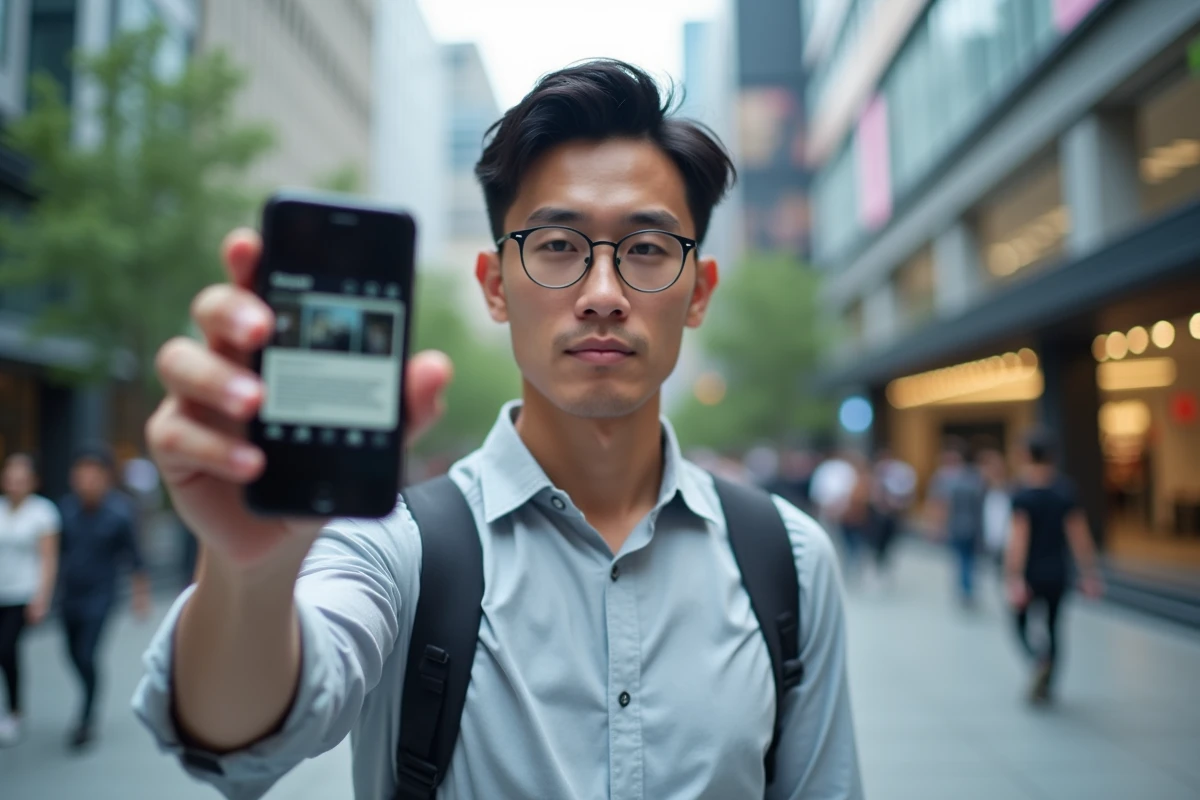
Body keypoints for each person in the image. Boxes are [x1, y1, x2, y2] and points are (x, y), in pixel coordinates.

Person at [133, 60, 863, 799]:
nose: (603, 295)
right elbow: (243, 739)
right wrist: (250, 571)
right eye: (557, 247)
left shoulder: (791, 560)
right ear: (494, 286)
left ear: (698, 292)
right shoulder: (397, 544)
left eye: (645, 249)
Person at [58, 444, 152, 750]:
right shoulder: (65, 510)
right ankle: (87, 697)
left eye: (92, 473)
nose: (86, 480)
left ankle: (86, 717)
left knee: (86, 654)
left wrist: (141, 596)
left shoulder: (120, 513)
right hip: (69, 595)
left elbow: (135, 558)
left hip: (101, 596)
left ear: (105, 477)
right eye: (81, 473)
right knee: (72, 654)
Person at [1005, 430, 1104, 705]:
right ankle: (1048, 683)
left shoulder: (1023, 495)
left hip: (1031, 573)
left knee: (1019, 623)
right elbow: (1079, 536)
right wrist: (1089, 572)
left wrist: (1014, 576)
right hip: (1058, 571)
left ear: (1026, 456)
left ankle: (1038, 659)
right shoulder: (1064, 491)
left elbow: (1018, 541)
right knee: (1054, 626)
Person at [0, 453, 61, 747]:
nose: (15, 484)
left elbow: (48, 558)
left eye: (21, 479)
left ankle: (14, 710)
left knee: (6, 649)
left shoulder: (42, 513)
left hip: (22, 593)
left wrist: (42, 597)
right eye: (10, 478)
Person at [928, 439, 987, 607]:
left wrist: (937, 527)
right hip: (967, 526)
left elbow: (940, 504)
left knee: (963, 559)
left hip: (961, 526)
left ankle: (965, 589)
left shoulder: (945, 478)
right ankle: (967, 589)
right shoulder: (973, 476)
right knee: (967, 559)